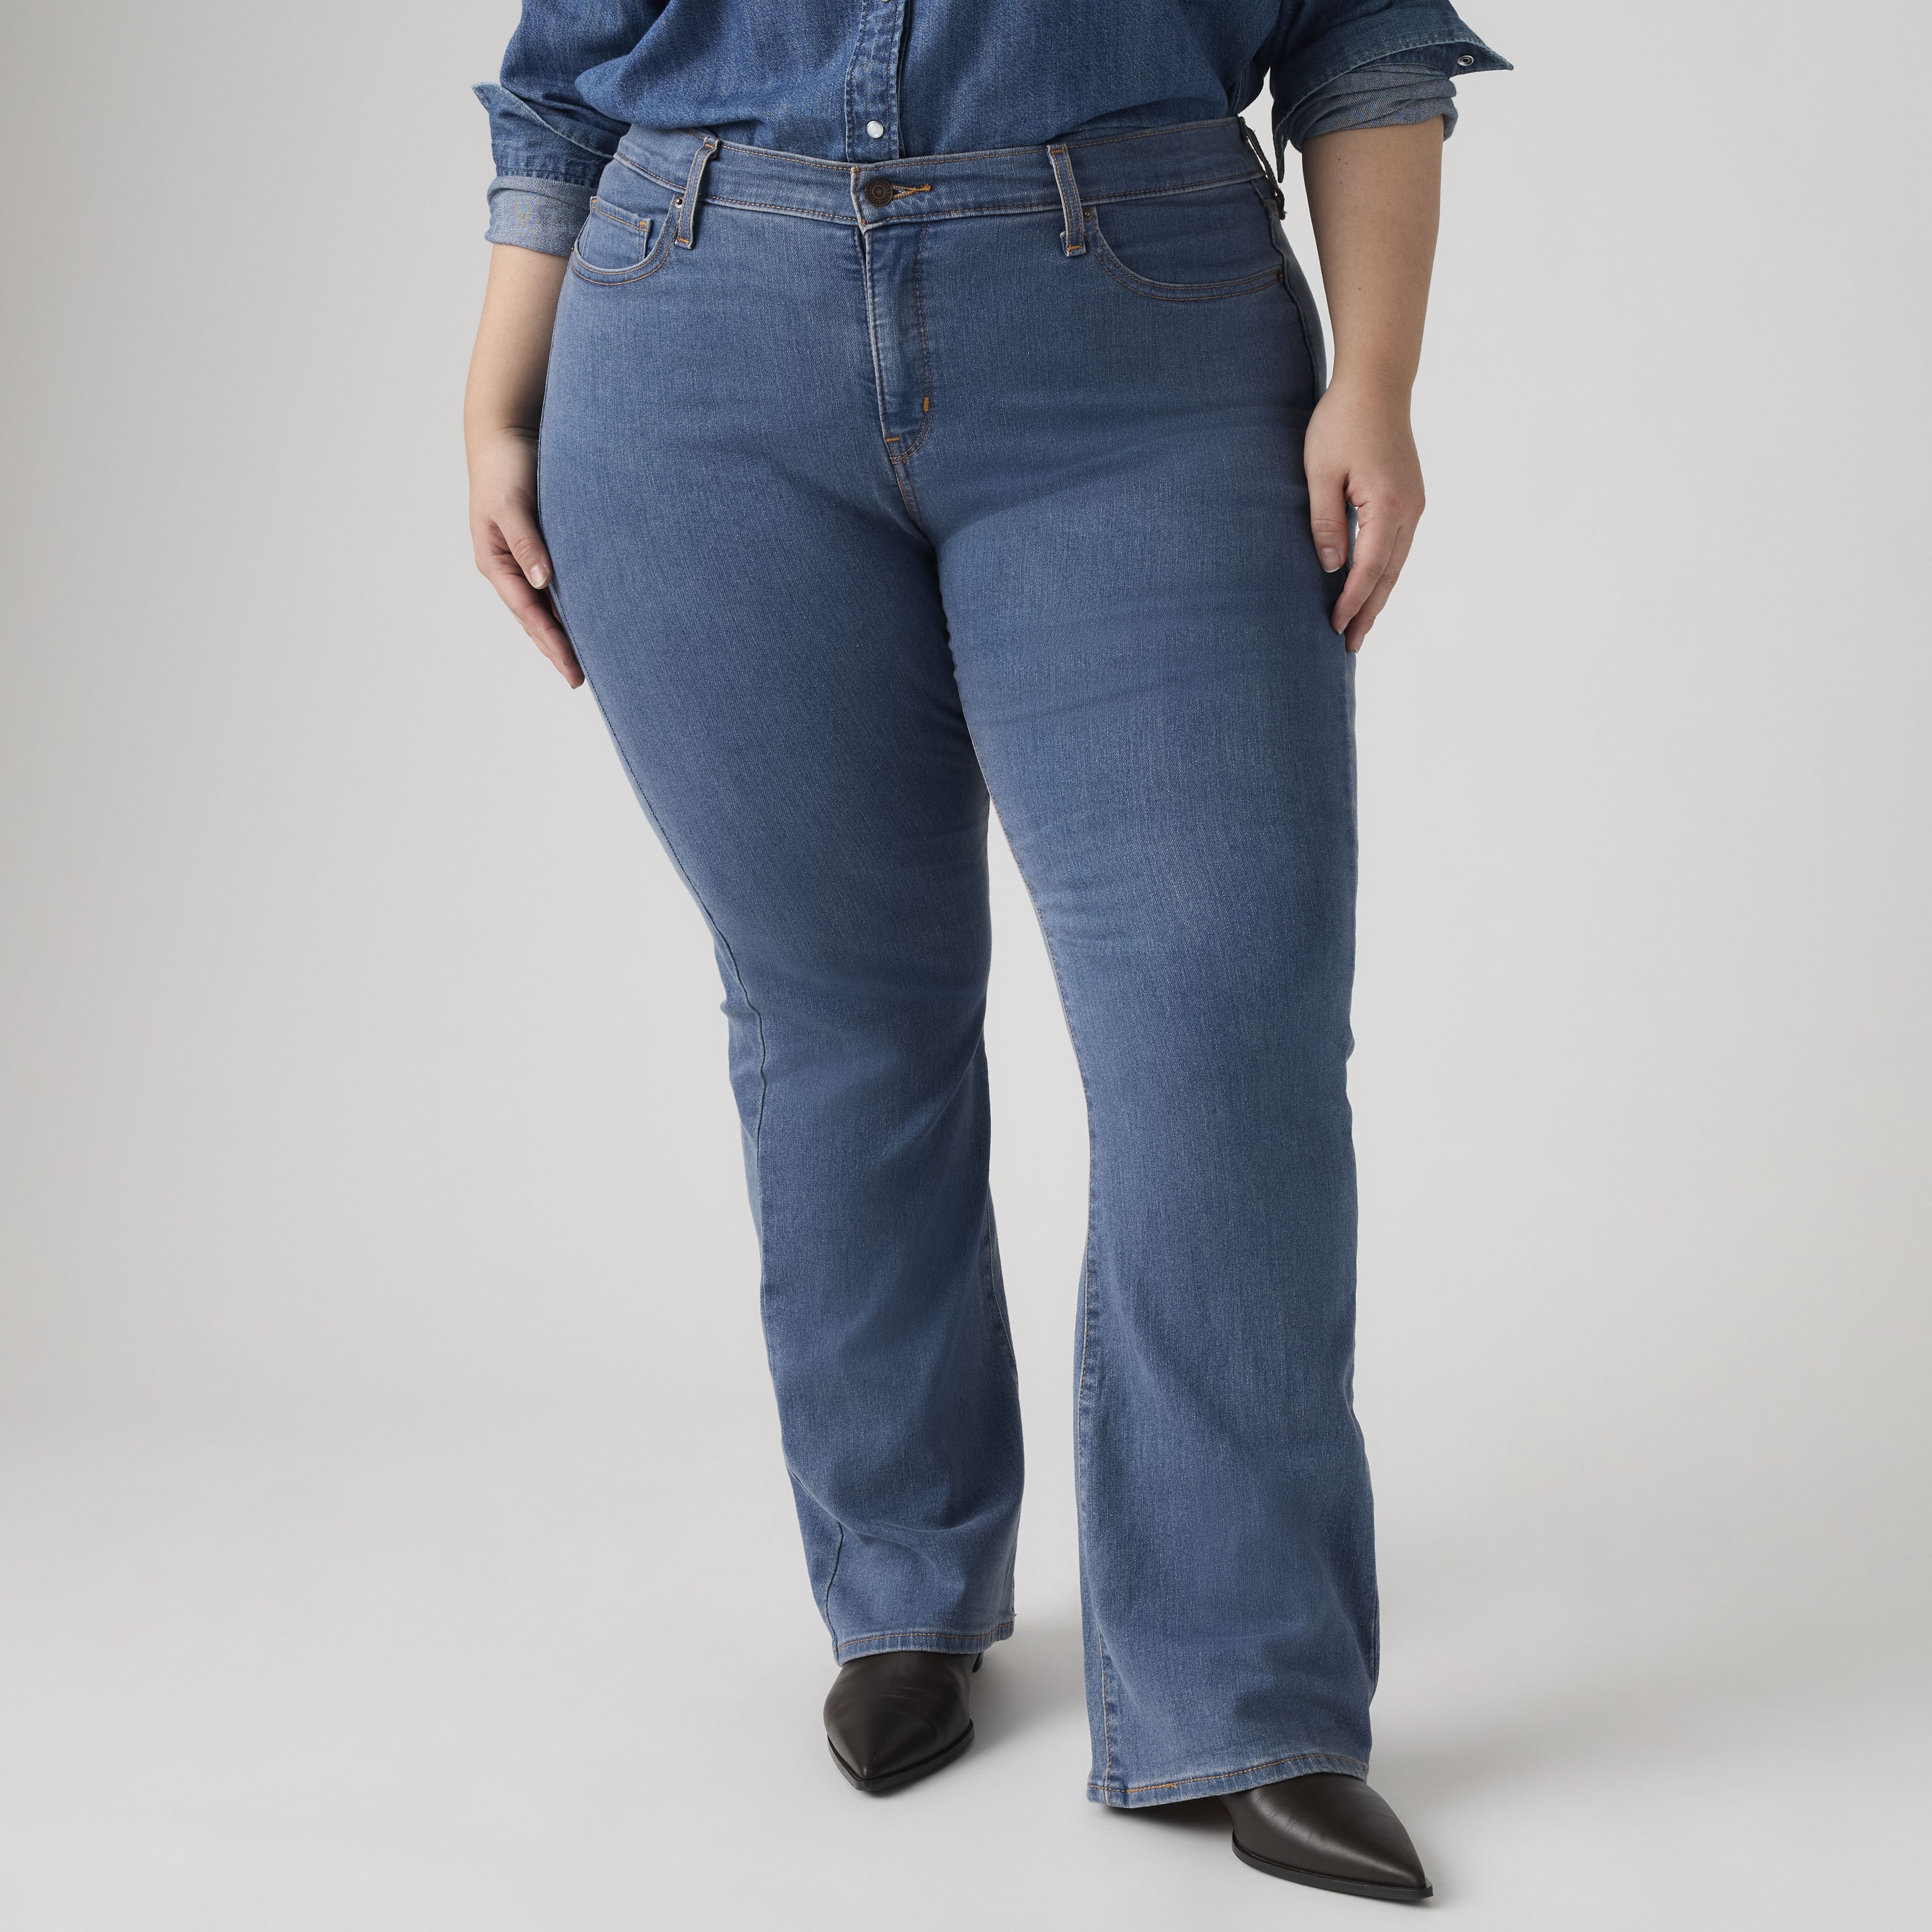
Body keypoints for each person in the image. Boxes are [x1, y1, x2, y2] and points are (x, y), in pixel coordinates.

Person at [464, 2, 1506, 1903]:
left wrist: (1378, 380)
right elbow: (564, 73)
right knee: (837, 1011)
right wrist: (493, 399)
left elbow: (1361, 30)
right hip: (690, 331)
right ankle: (903, 1586)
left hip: (1142, 334)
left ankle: (1248, 1688)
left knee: (1222, 1018)